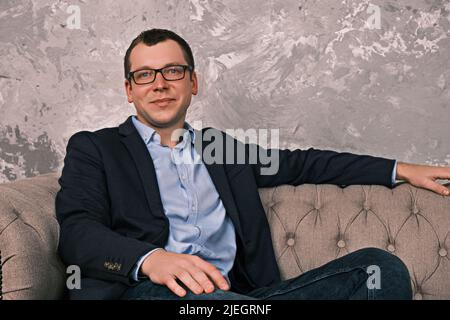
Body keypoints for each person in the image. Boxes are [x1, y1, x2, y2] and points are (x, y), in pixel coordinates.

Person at [55, 28, 450, 300]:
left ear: (193, 83)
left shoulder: (219, 150)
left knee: (378, 269)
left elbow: (308, 165)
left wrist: (401, 169)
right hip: (151, 292)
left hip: (247, 299)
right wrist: (151, 261)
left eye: (173, 71)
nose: (160, 83)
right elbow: (77, 232)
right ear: (129, 90)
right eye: (144, 75)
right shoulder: (97, 149)